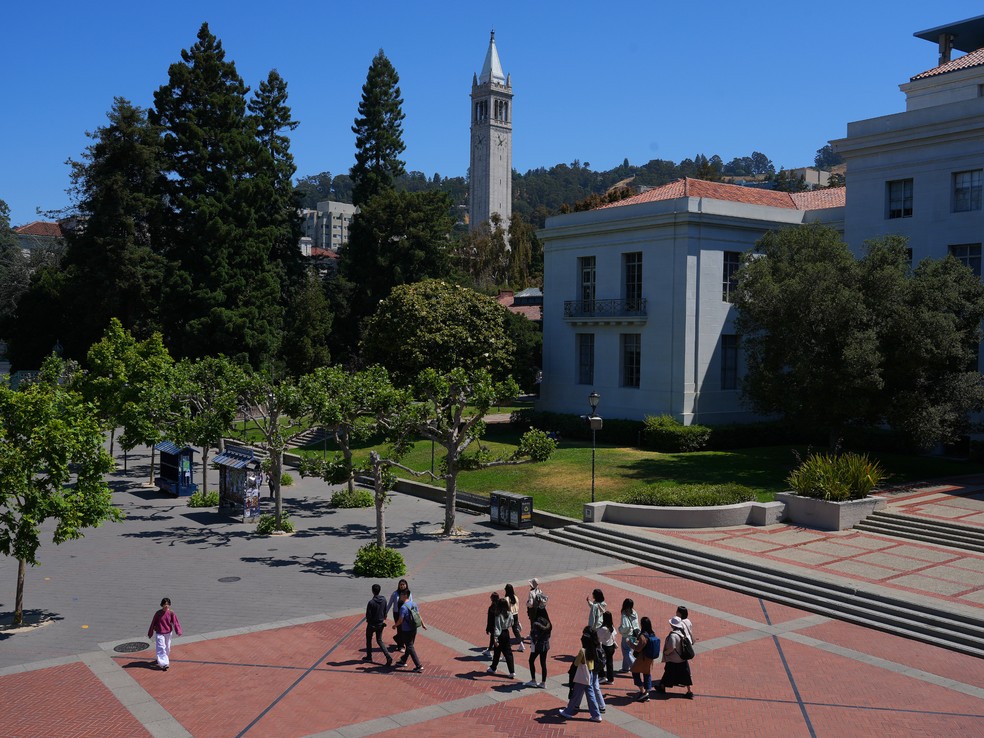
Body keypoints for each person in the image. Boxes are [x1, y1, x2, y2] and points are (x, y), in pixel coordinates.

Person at [559, 631, 603, 722]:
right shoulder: (593, 649)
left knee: (576, 694)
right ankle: (596, 714)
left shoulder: (582, 651)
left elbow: (576, 663)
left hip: (582, 675)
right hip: (590, 673)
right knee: (591, 695)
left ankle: (568, 711)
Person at [655, 615, 694, 699]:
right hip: (682, 658)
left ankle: (662, 686)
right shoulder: (682, 632)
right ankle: (689, 691)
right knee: (686, 675)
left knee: (668, 673)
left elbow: (671, 647)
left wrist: (666, 652)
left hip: (674, 659)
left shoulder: (673, 635)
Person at [392, 590, 424, 672]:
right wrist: (423, 623)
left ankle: (418, 665)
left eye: (401, 594)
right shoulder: (414, 604)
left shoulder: (403, 607)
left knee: (410, 646)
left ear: (405, 595)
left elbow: (400, 620)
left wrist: (395, 625)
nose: (400, 596)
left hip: (406, 630)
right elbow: (418, 614)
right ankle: (403, 660)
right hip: (414, 627)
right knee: (410, 645)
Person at [147, 597, 182, 671]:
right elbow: (153, 623)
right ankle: (164, 664)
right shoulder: (158, 613)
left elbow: (175, 623)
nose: (166, 606)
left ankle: (163, 658)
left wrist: (178, 631)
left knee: (167, 648)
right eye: (165, 604)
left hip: (168, 633)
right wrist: (150, 633)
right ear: (162, 605)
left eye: (168, 604)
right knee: (161, 647)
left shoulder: (171, 613)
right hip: (159, 633)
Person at [630, 616, 658, 701]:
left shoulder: (643, 636)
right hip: (650, 658)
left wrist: (630, 643)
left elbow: (638, 648)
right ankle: (647, 692)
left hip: (642, 658)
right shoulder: (652, 634)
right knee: (647, 674)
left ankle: (642, 691)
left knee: (635, 672)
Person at [487, 597, 515, 678]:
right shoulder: (509, 613)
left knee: (497, 651)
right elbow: (512, 622)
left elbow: (497, 627)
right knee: (508, 652)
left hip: (500, 634)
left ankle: (493, 668)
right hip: (506, 632)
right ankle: (512, 671)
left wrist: (495, 638)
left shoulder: (498, 615)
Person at [364, 583, 392, 666]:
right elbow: (385, 611)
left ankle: (369, 656)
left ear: (372, 591)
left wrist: (369, 621)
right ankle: (388, 656)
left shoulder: (371, 602)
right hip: (380, 624)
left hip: (372, 625)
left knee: (369, 639)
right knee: (379, 640)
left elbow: (368, 615)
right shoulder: (383, 599)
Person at [525, 604, 552, 687]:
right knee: (543, 663)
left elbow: (534, 635)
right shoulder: (548, 623)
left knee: (531, 660)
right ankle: (543, 682)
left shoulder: (536, 623)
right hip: (545, 645)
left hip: (537, 645)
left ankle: (533, 680)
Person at [387, 579, 412, 652]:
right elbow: (390, 604)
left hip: (405, 613)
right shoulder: (395, 594)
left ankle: (397, 639)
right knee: (399, 629)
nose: (402, 586)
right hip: (397, 613)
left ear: (406, 585)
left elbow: (411, 602)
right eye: (401, 584)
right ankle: (401, 646)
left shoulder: (409, 593)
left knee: (404, 629)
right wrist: (385, 613)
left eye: (403, 584)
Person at [618, 598, 640, 672]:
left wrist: (620, 630)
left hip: (627, 636)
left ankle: (635, 666)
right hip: (635, 634)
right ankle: (625, 668)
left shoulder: (624, 613)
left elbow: (625, 626)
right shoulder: (634, 612)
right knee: (629, 650)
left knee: (626, 652)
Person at [597, 611, 617, 684]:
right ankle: (610, 679)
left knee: (600, 661)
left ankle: (602, 676)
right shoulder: (612, 628)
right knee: (609, 663)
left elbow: (598, 636)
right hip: (611, 647)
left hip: (605, 647)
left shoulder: (604, 629)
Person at [504, 583, 524, 652]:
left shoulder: (506, 599)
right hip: (516, 614)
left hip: (509, 615)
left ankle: (506, 644)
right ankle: (521, 643)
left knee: (505, 629)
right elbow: (518, 606)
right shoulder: (515, 597)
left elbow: (505, 609)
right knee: (515, 630)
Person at [484, 592, 500, 658]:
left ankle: (490, 651)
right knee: (495, 639)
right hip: (499, 626)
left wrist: (487, 628)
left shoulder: (491, 608)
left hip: (493, 626)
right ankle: (489, 650)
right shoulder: (500, 606)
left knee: (493, 639)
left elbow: (489, 619)